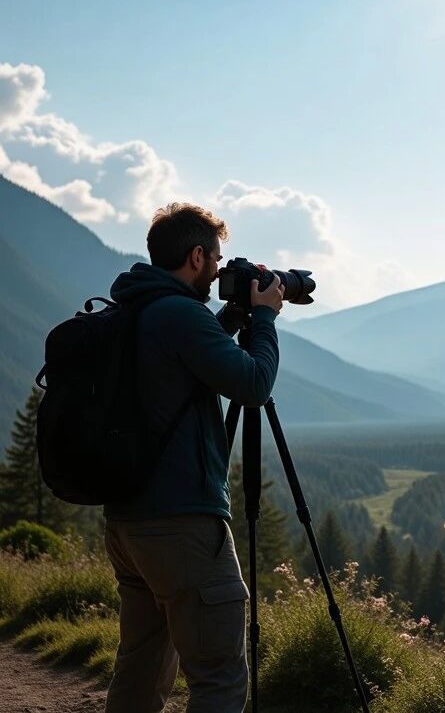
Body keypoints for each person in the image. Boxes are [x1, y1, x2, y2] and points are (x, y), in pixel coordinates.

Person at [102, 202, 283, 713]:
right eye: (217, 259)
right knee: (219, 676)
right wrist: (265, 320)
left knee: (140, 669)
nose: (220, 271)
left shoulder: (137, 308)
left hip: (128, 523)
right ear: (197, 256)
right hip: (182, 524)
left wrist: (230, 319)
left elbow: (179, 364)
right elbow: (253, 384)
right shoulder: (181, 314)